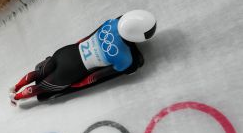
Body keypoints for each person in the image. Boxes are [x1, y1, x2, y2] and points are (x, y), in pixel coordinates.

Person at [9, 9, 156, 106]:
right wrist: (77, 84)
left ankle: (15, 87)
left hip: (65, 53)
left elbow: (87, 37)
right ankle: (15, 98)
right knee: (41, 87)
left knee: (40, 72)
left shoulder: (111, 23)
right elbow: (95, 77)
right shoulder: (125, 59)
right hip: (70, 73)